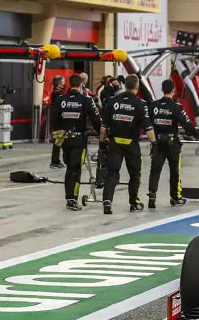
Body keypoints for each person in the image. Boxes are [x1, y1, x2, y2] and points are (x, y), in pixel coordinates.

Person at [100, 74, 155, 215]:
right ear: (137, 88)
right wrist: (154, 143)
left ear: (125, 86)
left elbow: (104, 127)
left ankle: (107, 201)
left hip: (115, 143)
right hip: (131, 144)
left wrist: (102, 143)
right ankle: (133, 203)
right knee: (135, 174)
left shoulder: (112, 101)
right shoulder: (140, 104)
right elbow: (148, 127)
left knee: (112, 173)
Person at [148, 79, 199, 209]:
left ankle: (152, 195)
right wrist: (198, 134)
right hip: (172, 144)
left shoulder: (153, 105)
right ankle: (175, 197)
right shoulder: (176, 106)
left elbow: (147, 123)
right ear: (173, 90)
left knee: (155, 170)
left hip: (157, 142)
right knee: (174, 171)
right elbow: (187, 124)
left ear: (162, 90)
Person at [53, 73, 101, 211]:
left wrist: (59, 131)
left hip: (65, 139)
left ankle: (69, 198)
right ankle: (72, 199)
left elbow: (54, 119)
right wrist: (101, 134)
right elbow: (96, 120)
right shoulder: (86, 100)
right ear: (81, 85)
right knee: (76, 169)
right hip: (79, 139)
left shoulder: (61, 99)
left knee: (69, 169)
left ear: (69, 84)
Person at [49, 75, 66, 169]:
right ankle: (55, 161)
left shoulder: (58, 93)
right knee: (58, 141)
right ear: (60, 83)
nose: (64, 84)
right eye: (63, 82)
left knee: (60, 141)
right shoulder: (57, 94)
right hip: (58, 121)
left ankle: (56, 160)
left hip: (58, 120)